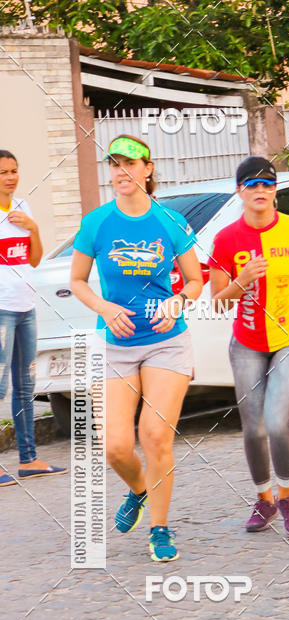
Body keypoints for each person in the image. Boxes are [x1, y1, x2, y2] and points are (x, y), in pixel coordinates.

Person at [70, 134, 203, 561]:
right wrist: (104, 307)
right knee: (115, 446)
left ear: (148, 169)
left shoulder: (169, 220)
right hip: (116, 343)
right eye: (114, 164)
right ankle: (139, 490)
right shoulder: (96, 222)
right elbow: (76, 282)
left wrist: (177, 300)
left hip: (166, 341)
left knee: (154, 435)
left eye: (130, 163)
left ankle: (160, 529)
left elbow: (196, 281)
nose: (121, 171)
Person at [209, 156, 289, 535]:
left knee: (278, 422)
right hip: (247, 342)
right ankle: (264, 500)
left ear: (275, 190)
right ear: (239, 192)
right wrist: (242, 280)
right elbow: (218, 299)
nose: (260, 191)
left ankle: (286, 496)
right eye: (252, 185)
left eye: (267, 184)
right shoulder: (226, 239)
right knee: (253, 428)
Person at [0, 150, 67, 486]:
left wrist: (34, 228)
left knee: (25, 387)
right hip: (0, 311)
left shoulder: (23, 208)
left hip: (26, 307)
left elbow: (35, 259)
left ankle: (29, 460)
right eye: (3, 172)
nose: (10, 177)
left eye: (14, 170)